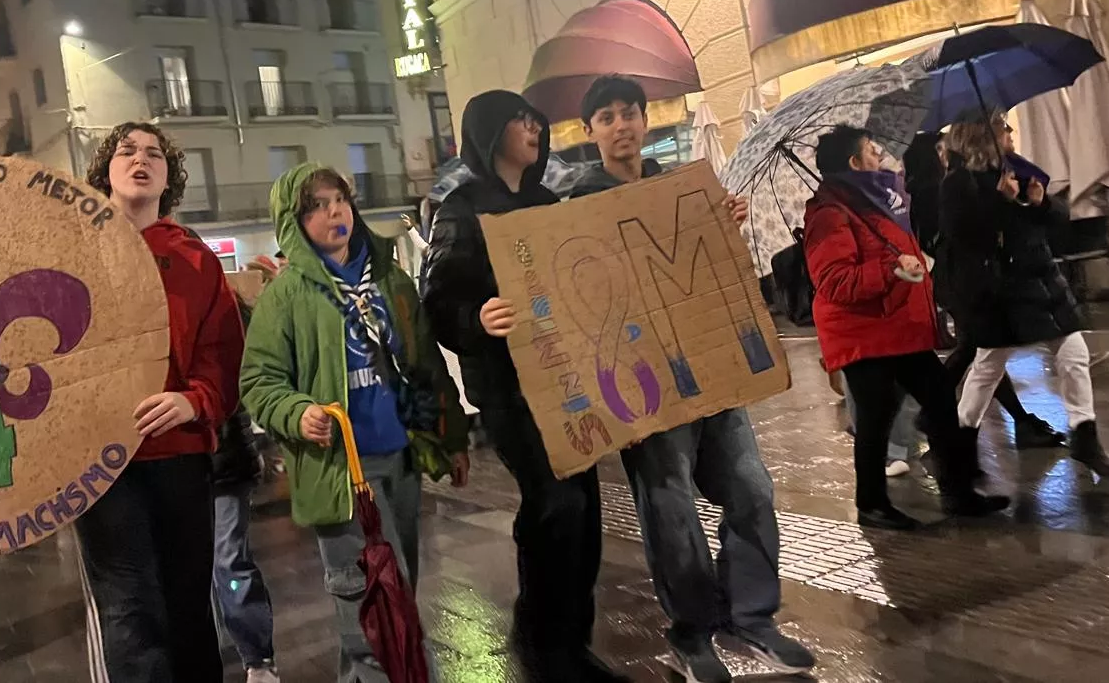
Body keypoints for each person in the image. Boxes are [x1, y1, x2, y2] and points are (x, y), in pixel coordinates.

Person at [0, 124, 242, 682]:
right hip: (96, 463)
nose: (140, 159)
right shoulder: (63, 244)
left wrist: (194, 400)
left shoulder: (195, 258)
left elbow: (221, 349)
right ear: (104, 169)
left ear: (168, 178)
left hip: (178, 457)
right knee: (130, 612)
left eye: (154, 154)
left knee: (188, 609)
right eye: (127, 150)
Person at [569, 75, 814, 683]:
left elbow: (711, 269)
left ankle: (752, 618)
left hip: (709, 371)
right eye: (607, 117)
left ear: (645, 121)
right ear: (590, 131)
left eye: (629, 113)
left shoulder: (679, 188)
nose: (621, 125)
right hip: (643, 385)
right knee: (669, 507)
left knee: (752, 488)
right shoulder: (575, 207)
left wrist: (720, 225)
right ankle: (694, 629)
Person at [420, 89, 627, 682]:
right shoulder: (460, 208)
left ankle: (569, 636)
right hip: (507, 389)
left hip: (564, 379)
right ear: (489, 133)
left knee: (584, 508)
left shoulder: (544, 199)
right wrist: (476, 318)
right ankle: (544, 637)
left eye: (534, 119)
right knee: (554, 500)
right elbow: (438, 301)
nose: (533, 127)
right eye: (519, 119)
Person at [241, 163, 470, 683]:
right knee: (371, 607)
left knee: (398, 591)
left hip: (402, 459)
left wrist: (451, 435)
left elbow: (425, 363)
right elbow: (258, 382)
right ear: (293, 222)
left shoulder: (388, 279)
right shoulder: (287, 296)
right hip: (341, 473)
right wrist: (298, 414)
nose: (333, 212)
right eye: (316, 205)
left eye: (339, 199)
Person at [802, 126, 1011, 530]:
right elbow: (835, 282)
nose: (880, 156)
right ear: (853, 163)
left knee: (938, 399)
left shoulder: (876, 202)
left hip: (897, 325)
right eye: (871, 151)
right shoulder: (829, 214)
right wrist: (891, 268)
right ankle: (872, 505)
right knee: (876, 417)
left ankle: (958, 492)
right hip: (863, 332)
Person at [936, 113, 1109, 480]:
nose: (1009, 133)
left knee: (1073, 353)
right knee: (988, 367)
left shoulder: (1017, 168)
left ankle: (1085, 437)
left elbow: (1055, 220)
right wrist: (1002, 202)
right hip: (1000, 290)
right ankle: (959, 444)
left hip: (1040, 278)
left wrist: (1039, 203)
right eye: (1000, 127)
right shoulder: (958, 183)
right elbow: (965, 235)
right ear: (980, 135)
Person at [902, 134, 1067, 449]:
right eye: (937, 149)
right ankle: (935, 414)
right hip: (958, 278)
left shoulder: (941, 185)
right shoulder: (936, 189)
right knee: (979, 348)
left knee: (986, 352)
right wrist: (998, 201)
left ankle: (1015, 421)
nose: (944, 152)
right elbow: (963, 231)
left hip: (959, 277)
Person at [215, 285, 279, 683]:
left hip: (225, 459)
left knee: (228, 560)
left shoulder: (227, 307)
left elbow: (254, 376)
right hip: (183, 464)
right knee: (201, 565)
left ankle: (258, 657)